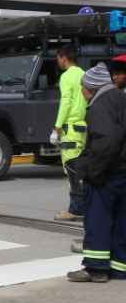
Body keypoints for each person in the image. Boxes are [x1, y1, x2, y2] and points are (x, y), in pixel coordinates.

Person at [68, 62, 126, 283]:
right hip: (123, 171)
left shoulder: (100, 105)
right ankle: (120, 268)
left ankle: (96, 268)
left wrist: (94, 171)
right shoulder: (121, 97)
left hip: (108, 172)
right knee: (122, 221)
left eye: (83, 88)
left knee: (98, 219)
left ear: (90, 88)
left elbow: (107, 140)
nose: (82, 93)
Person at [52, 46, 87, 221]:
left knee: (72, 169)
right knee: (81, 168)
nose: (58, 61)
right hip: (82, 128)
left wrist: (57, 126)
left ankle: (75, 209)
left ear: (64, 57)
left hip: (70, 128)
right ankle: (85, 206)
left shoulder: (66, 77)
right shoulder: (83, 74)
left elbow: (65, 102)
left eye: (58, 58)